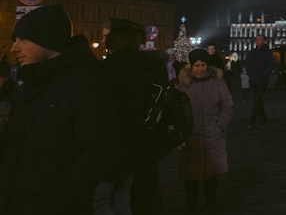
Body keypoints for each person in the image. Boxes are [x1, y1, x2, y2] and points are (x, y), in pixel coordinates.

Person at [0, 4, 120, 214]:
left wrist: (56, 200)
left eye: (23, 40)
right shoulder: (31, 83)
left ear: (47, 40)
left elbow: (99, 152)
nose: (14, 48)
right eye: (15, 40)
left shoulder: (85, 83)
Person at [94, 19, 163, 215]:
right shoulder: (149, 67)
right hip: (142, 146)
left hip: (115, 145)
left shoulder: (110, 70)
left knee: (100, 201)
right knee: (125, 197)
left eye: (107, 36)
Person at [176, 47, 234, 211]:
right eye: (197, 65)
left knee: (211, 179)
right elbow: (176, 111)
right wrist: (180, 134)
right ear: (191, 66)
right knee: (190, 180)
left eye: (203, 65)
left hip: (212, 135)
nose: (200, 69)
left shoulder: (217, 82)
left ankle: (211, 208)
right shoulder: (183, 85)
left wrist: (220, 126)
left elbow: (228, 105)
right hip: (190, 137)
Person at [245, 34, 275, 128]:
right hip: (253, 79)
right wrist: (250, 74)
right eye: (257, 39)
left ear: (264, 41)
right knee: (258, 101)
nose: (258, 41)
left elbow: (270, 66)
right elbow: (247, 64)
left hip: (262, 80)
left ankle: (252, 121)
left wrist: (263, 75)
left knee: (257, 100)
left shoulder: (267, 53)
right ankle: (264, 119)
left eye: (260, 39)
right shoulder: (251, 52)